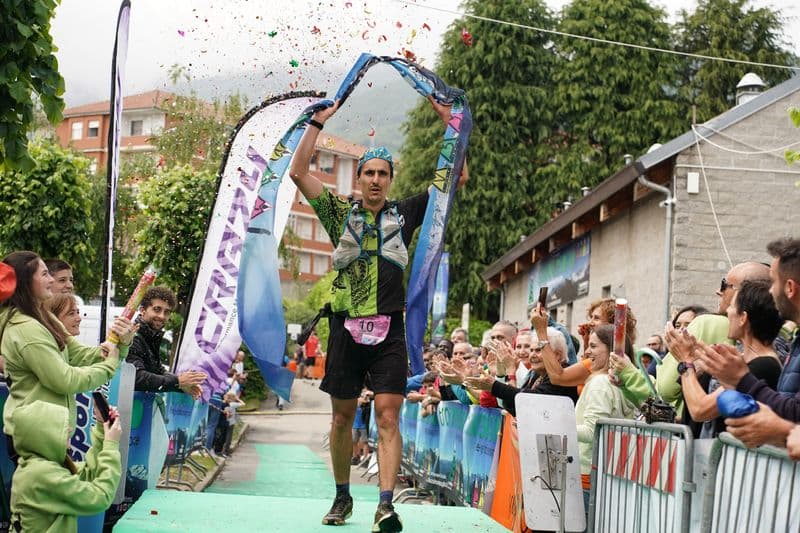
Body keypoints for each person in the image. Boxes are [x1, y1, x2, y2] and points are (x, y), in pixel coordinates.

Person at [288, 94, 467, 531]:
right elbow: (298, 172)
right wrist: (316, 123)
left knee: (388, 414)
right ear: (359, 175)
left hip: (390, 330)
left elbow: (452, 180)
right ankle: (342, 496)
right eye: (368, 172)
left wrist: (453, 125)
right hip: (346, 328)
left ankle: (386, 504)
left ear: (390, 179)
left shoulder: (404, 215)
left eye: (382, 174)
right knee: (341, 417)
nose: (374, 180)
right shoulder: (338, 213)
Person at [0, 251, 134, 452]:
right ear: (27, 282)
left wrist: (119, 344)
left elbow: (79, 355)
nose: (51, 280)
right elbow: (65, 380)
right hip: (36, 435)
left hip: (52, 433)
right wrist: (109, 366)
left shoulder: (42, 316)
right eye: (45, 274)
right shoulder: (25, 328)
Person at [673, 279, 782, 438]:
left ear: (743, 318)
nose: (727, 312)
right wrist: (698, 358)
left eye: (732, 306)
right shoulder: (745, 360)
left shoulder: (763, 365)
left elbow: (700, 410)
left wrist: (685, 362)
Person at [10, 400, 122, 531]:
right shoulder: (41, 474)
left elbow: (89, 473)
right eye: (60, 427)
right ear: (44, 435)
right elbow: (101, 496)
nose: (69, 429)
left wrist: (101, 426)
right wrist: (111, 445)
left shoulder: (38, 467)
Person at [575, 325, 635, 510]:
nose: (587, 351)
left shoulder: (600, 384)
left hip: (587, 475)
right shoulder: (618, 382)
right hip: (604, 471)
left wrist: (557, 426)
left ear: (612, 350)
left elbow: (593, 431)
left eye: (593, 346)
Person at [465, 326, 578, 416]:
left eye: (538, 350)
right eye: (532, 350)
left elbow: (529, 399)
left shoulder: (563, 374)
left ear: (557, 355)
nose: (532, 355)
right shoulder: (537, 375)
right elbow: (512, 407)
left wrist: (498, 382)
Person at [126, 286, 206, 397]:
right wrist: (177, 382)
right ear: (142, 310)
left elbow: (158, 371)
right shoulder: (131, 336)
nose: (162, 316)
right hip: (124, 409)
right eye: (157, 309)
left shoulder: (151, 337)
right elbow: (135, 377)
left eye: (167, 312)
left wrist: (182, 386)